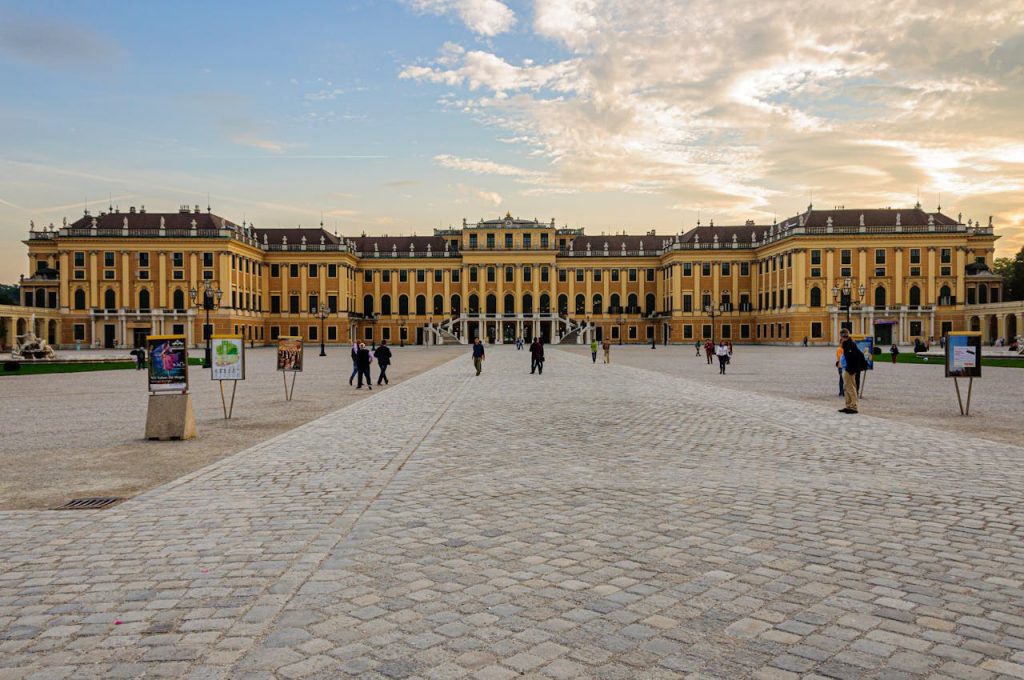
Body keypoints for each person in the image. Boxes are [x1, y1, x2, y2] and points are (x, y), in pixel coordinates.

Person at [839, 329, 867, 413]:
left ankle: (853, 407)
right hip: (846, 368)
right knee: (846, 388)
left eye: (844, 336)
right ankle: (848, 405)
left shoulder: (850, 345)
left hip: (849, 370)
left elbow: (855, 358)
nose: (842, 338)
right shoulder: (846, 344)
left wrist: (851, 369)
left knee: (851, 388)